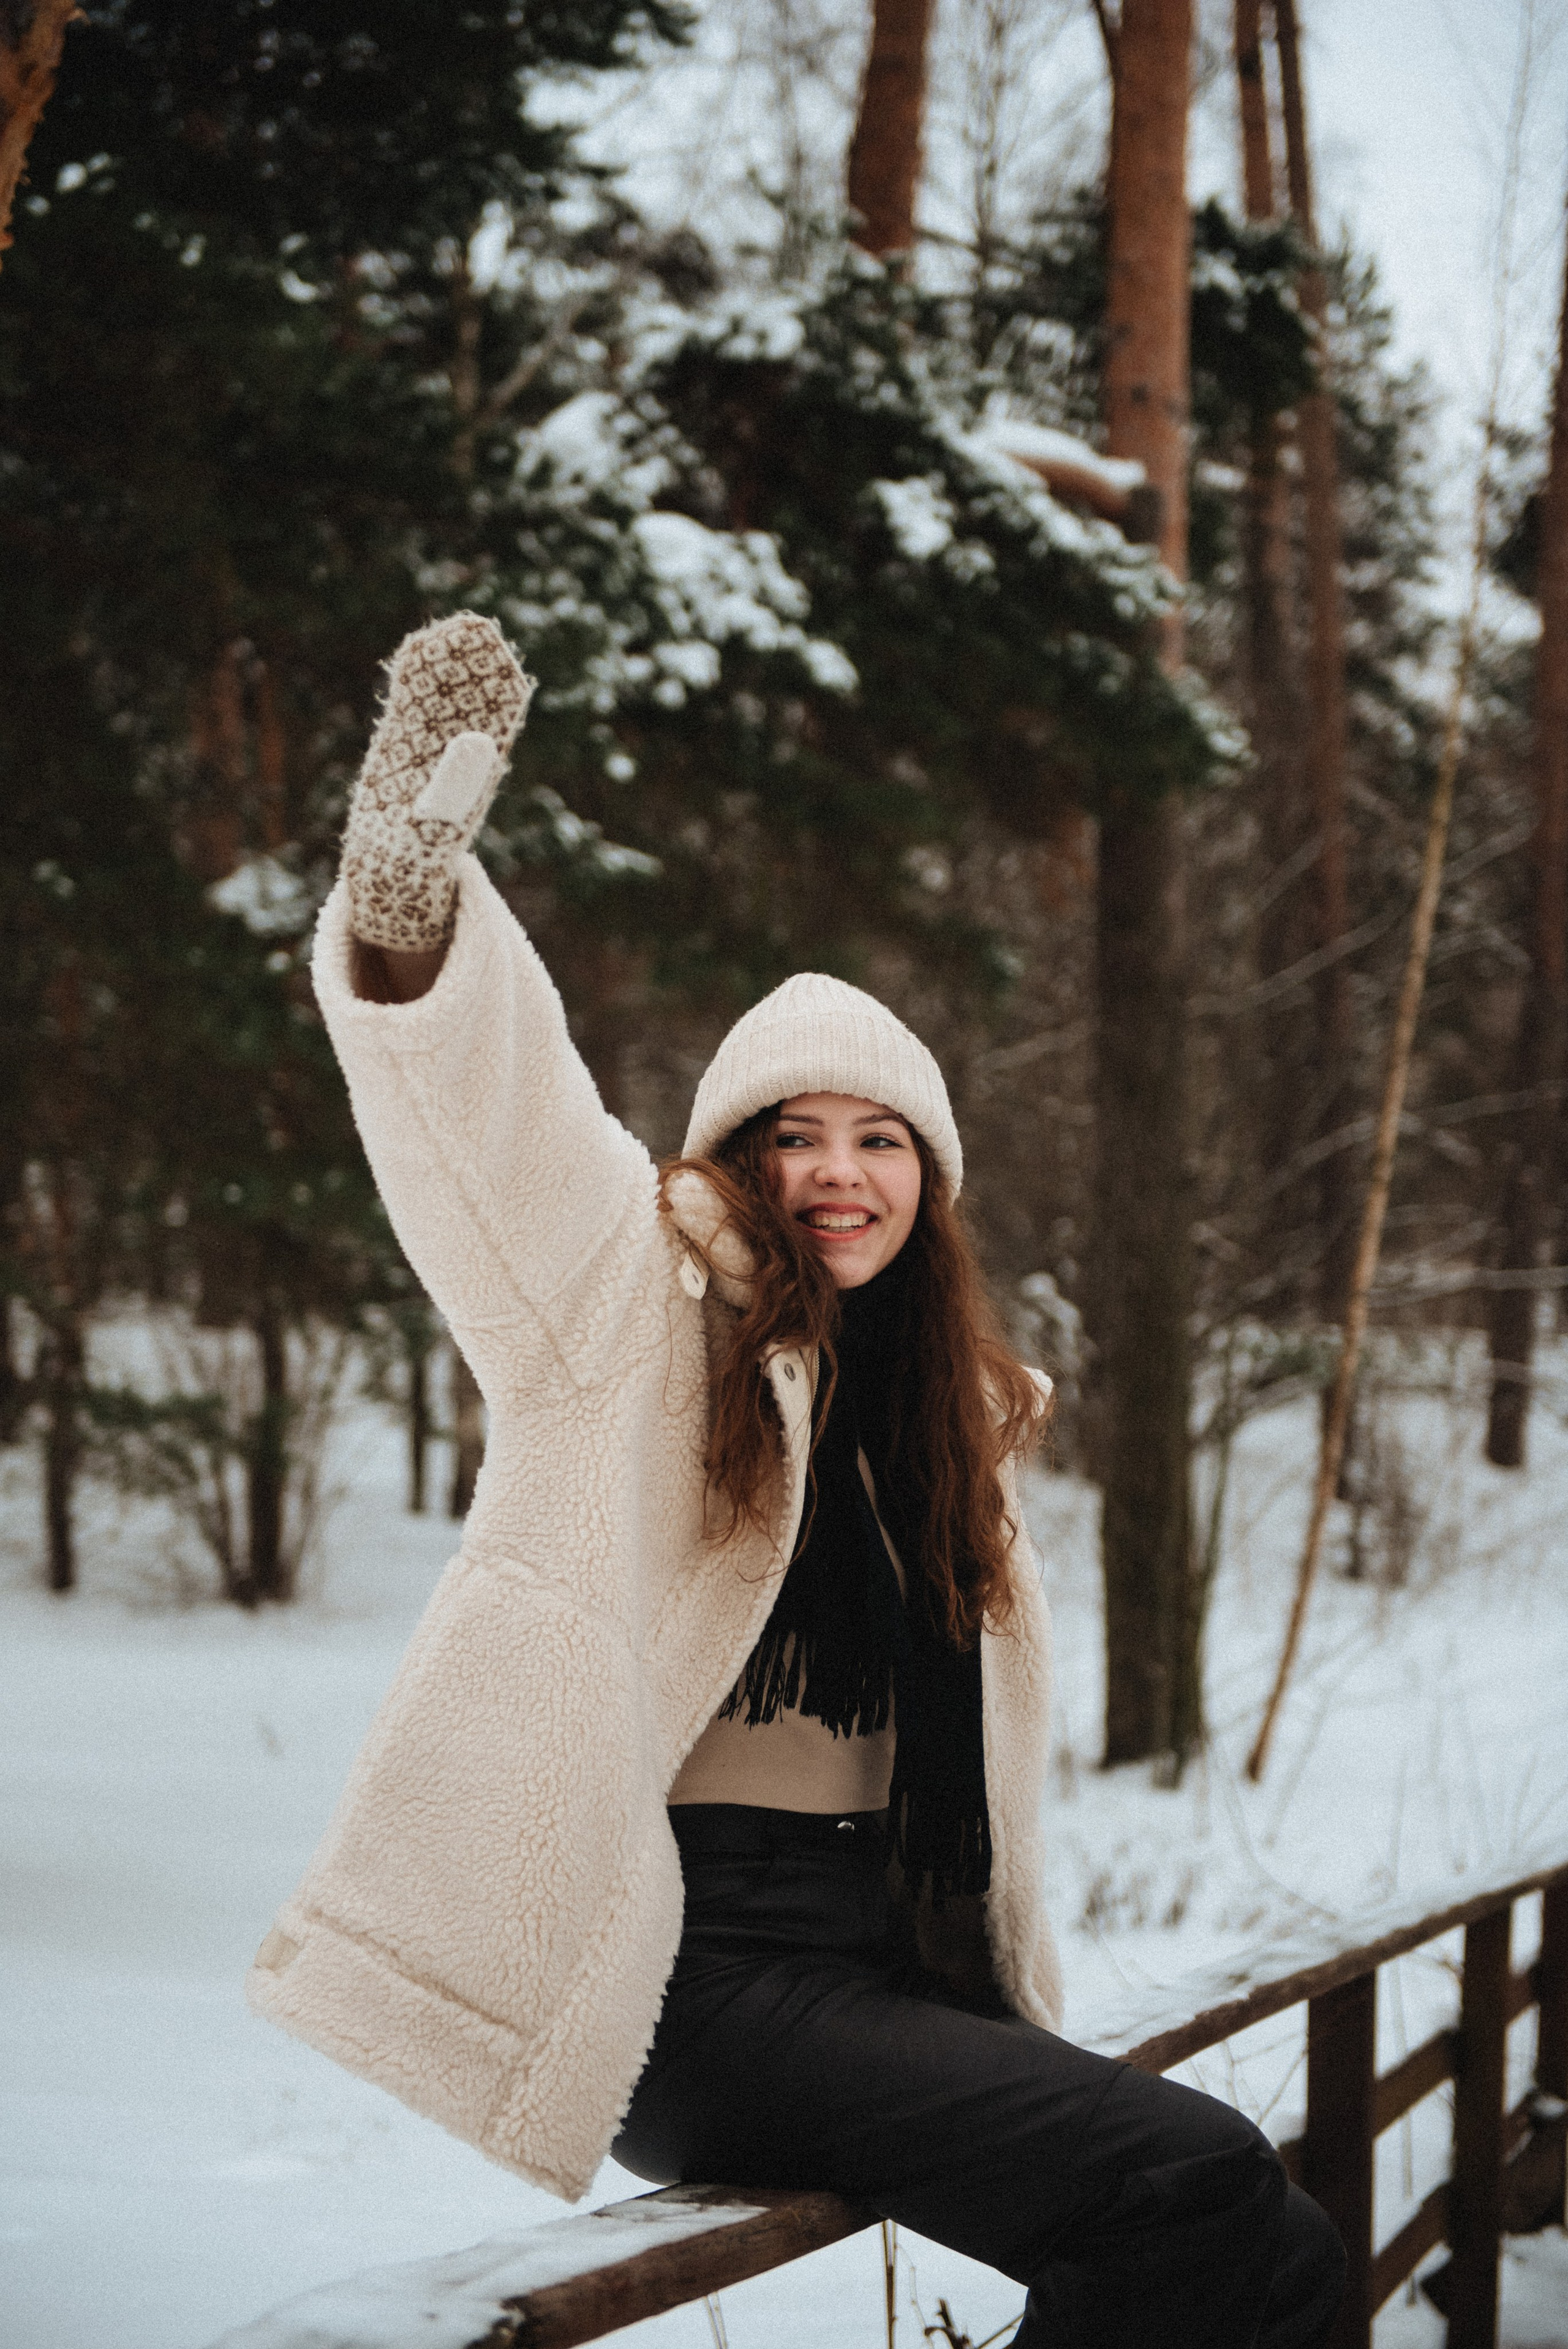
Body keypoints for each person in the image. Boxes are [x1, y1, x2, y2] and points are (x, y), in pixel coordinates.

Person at [248, 614, 1346, 2349]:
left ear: (930, 1180)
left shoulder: (945, 1425)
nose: (838, 1171)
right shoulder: (633, 1309)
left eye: (880, 1135)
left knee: (1278, 2250)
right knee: (1192, 2184)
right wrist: (406, 899)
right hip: (702, 1971)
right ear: (735, 1163)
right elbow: (498, 1119)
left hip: (886, 1961)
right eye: (792, 1133)